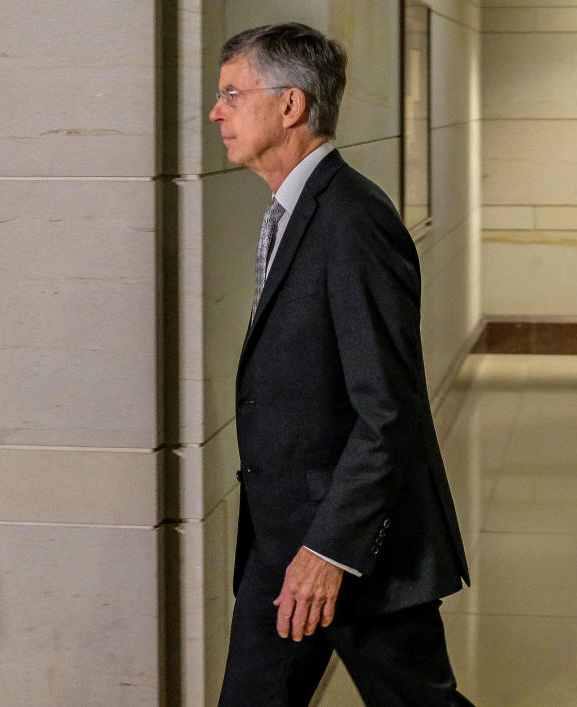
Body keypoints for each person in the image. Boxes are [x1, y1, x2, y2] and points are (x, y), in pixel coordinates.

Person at [209, 23, 472, 706]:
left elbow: (389, 408)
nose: (217, 112)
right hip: (282, 539)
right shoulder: (293, 212)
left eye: (233, 94)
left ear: (291, 105)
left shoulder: (352, 221)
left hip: (353, 550)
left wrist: (329, 549)